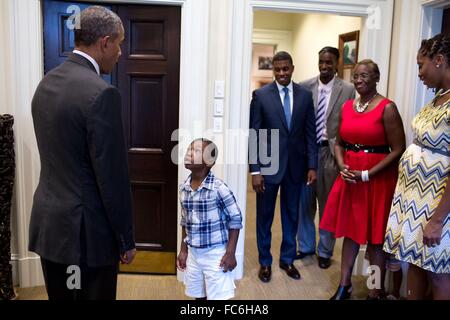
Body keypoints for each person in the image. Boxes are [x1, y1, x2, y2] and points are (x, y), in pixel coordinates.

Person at [29, 6, 135, 300]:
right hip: (87, 239)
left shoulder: (46, 84)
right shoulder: (102, 93)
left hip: (50, 229)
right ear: (104, 42)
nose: (120, 53)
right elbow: (112, 178)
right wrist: (126, 239)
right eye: (119, 43)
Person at [320, 59, 406, 299]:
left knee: (376, 239)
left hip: (377, 180)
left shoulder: (387, 108)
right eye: (355, 76)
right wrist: (341, 165)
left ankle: (375, 289)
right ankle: (344, 285)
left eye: (364, 76)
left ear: (376, 78)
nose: (358, 80)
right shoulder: (347, 107)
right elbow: (338, 142)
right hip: (350, 179)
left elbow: (399, 149)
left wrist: (368, 174)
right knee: (350, 234)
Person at [384, 33, 450, 300]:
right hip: (413, 202)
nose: (419, 73)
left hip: (437, 206)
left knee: (437, 271)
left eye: (421, 65)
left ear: (440, 60)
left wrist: (436, 220)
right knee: (414, 260)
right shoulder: (438, 97)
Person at [249, 51, 317, 283]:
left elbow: (310, 133)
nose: (281, 74)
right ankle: (265, 262)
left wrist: (312, 165)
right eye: (277, 70)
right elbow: (254, 135)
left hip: (296, 166)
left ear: (292, 68)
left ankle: (287, 259)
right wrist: (255, 170)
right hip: (268, 167)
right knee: (264, 217)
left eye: (285, 69)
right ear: (273, 71)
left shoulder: (305, 96)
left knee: (291, 215)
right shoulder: (260, 96)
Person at [297, 46, 355, 269]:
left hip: (332, 152)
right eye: (321, 61)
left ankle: (325, 251)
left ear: (337, 64)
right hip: (307, 154)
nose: (324, 66)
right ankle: (306, 246)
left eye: (329, 62)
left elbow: (349, 122)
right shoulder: (304, 86)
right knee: (305, 203)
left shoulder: (348, 89)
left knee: (328, 204)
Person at [176, 139, 243, 300]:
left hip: (215, 255)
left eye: (196, 151)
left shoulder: (219, 188)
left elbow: (235, 219)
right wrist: (183, 250)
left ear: (209, 161)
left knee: (217, 297)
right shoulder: (184, 188)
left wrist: (231, 252)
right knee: (198, 296)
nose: (189, 153)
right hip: (194, 253)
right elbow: (185, 221)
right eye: (188, 149)